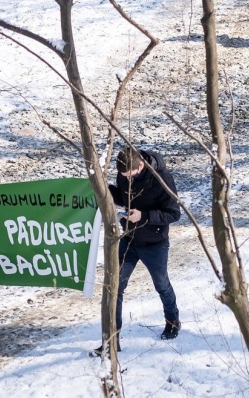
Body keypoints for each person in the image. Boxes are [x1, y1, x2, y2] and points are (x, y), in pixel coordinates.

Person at [106, 146, 181, 348]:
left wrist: (144, 216)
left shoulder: (162, 177)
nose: (127, 180)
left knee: (161, 284)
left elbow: (174, 214)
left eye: (130, 176)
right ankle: (113, 339)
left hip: (155, 243)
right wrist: (106, 190)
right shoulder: (125, 172)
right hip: (129, 238)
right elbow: (123, 198)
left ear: (140, 165)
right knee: (116, 286)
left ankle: (173, 321)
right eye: (124, 177)